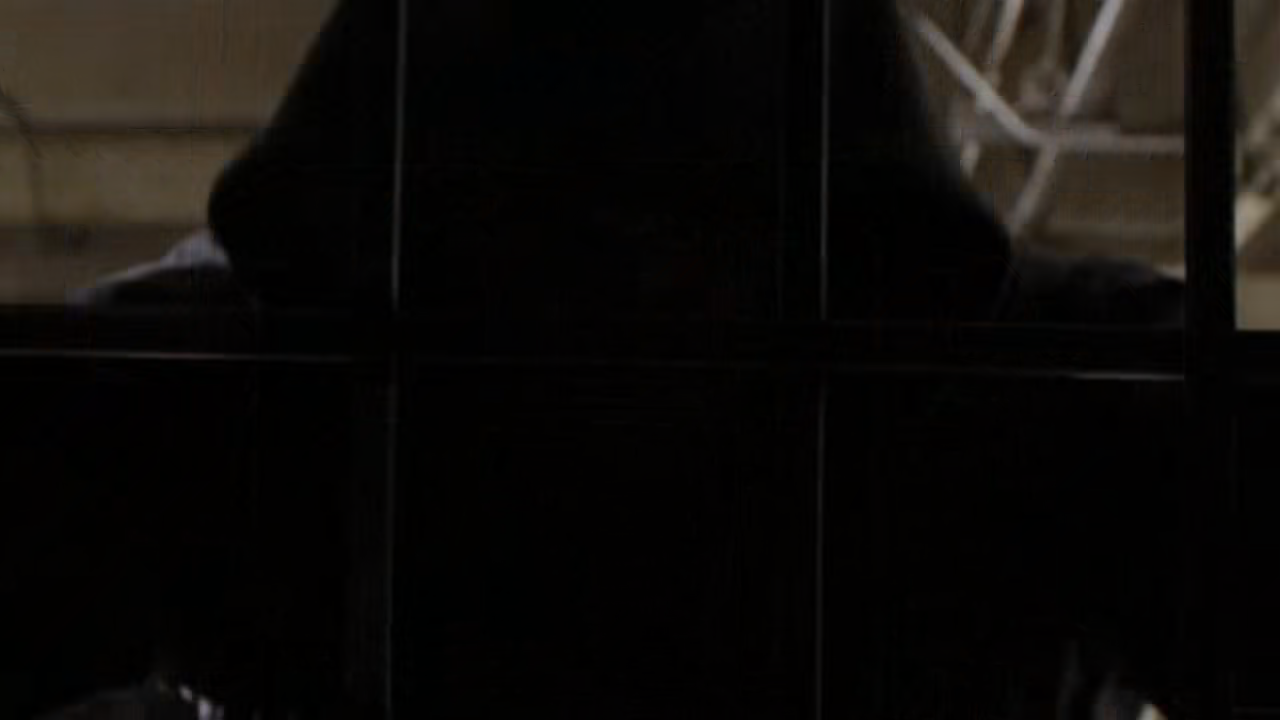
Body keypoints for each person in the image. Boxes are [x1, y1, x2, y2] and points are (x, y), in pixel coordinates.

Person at [58, 0, 1184, 718]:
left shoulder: (243, 390)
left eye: (684, 218)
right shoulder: (1030, 394)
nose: (627, 279)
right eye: (557, 223)